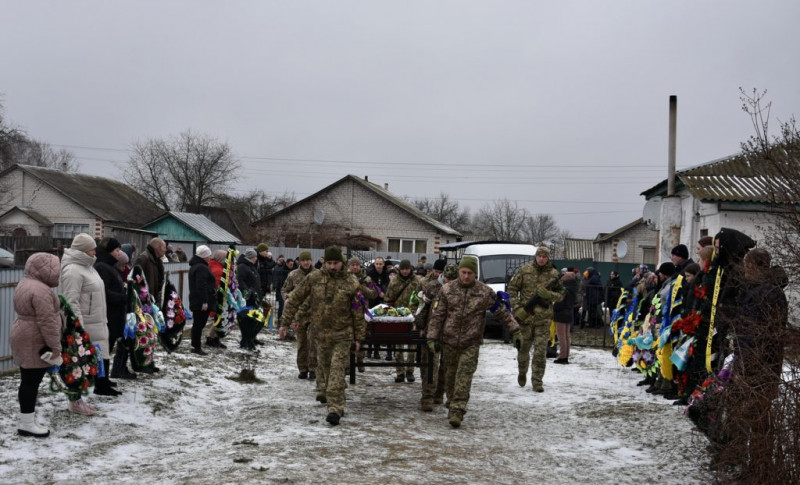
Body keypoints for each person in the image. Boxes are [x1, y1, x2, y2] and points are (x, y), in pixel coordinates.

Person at [427, 256, 522, 428]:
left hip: (471, 342)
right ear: (459, 272)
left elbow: (501, 311)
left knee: (464, 376)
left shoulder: (484, 292)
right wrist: (432, 337)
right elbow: (437, 315)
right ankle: (452, 401)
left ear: (475, 274)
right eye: (463, 272)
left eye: (470, 273)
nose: (466, 276)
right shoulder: (447, 290)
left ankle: (457, 409)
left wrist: (515, 330)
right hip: (449, 341)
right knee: (450, 377)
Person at [282, 246, 365, 426]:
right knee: (326, 369)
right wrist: (285, 322)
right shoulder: (314, 278)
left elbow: (358, 312)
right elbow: (295, 298)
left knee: (337, 369)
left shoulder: (352, 283)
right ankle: (333, 397)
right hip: (320, 334)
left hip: (342, 334)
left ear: (342, 264)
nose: (333, 267)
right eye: (329, 263)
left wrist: (359, 338)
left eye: (336, 263)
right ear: (324, 262)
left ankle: (335, 408)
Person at [11, 253, 63, 437]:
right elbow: (47, 322)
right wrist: (55, 348)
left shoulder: (25, 283)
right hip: (35, 338)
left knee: (27, 380)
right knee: (31, 382)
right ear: (47, 269)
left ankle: (26, 420)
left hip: (23, 333)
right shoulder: (42, 290)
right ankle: (27, 424)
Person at [59, 233, 106, 414]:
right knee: (76, 364)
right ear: (84, 250)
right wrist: (78, 328)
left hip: (95, 321)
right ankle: (75, 401)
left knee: (85, 364)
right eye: (92, 248)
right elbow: (71, 301)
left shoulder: (88, 266)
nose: (95, 251)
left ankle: (78, 400)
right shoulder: (73, 270)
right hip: (81, 326)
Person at [507, 246, 563, 393]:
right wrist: (517, 307)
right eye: (539, 256)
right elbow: (512, 289)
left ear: (548, 258)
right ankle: (522, 371)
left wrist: (549, 295)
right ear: (536, 256)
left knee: (540, 352)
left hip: (543, 320)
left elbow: (561, 295)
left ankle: (537, 381)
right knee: (523, 350)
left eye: (545, 256)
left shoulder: (553, 274)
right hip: (525, 318)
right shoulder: (525, 270)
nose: (542, 259)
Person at [93, 237, 128, 390]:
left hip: (114, 314)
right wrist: (123, 298)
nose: (119, 254)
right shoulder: (102, 267)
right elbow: (104, 292)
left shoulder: (109, 266)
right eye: (117, 250)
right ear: (109, 251)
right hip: (108, 314)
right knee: (104, 348)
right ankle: (100, 381)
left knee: (108, 347)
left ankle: (104, 379)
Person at [415, 257, 447, 411]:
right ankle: (427, 396)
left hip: (449, 332)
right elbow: (421, 307)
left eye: (442, 272)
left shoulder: (455, 287)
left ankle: (439, 393)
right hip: (430, 330)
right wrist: (420, 325)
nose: (439, 274)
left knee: (445, 366)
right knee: (429, 365)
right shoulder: (429, 286)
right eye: (437, 271)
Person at [281, 251, 318, 379]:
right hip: (299, 313)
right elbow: (285, 289)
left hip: (314, 312)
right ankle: (303, 368)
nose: (306, 262)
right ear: (300, 261)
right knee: (302, 342)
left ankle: (313, 368)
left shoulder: (317, 274)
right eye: (304, 260)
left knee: (313, 341)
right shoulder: (293, 275)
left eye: (308, 260)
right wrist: (287, 298)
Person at [385, 259, 421, 383]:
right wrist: (390, 314)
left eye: (407, 269)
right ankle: (400, 372)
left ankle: (410, 371)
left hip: (413, 316)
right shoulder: (394, 282)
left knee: (412, 345)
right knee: (398, 346)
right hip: (398, 317)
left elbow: (421, 298)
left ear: (410, 269)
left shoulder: (417, 282)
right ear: (399, 269)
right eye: (403, 269)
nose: (405, 271)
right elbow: (388, 299)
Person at [347, 257, 378, 372]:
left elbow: (374, 294)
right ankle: (348, 364)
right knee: (347, 337)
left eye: (357, 265)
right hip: (347, 312)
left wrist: (361, 288)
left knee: (361, 337)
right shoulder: (345, 278)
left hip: (361, 312)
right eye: (352, 265)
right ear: (348, 266)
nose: (355, 267)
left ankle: (360, 360)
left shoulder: (367, 279)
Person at [188, 245, 216, 355]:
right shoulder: (201, 268)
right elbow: (201, 285)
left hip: (197, 300)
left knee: (198, 324)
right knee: (199, 324)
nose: (210, 257)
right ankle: (196, 346)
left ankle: (195, 345)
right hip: (201, 301)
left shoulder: (197, 266)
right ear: (204, 256)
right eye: (209, 255)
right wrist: (204, 301)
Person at [553, 268, 578, 364]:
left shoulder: (565, 289)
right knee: (566, 336)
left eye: (564, 275)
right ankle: (565, 355)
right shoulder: (572, 288)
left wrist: (555, 308)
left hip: (561, 313)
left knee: (561, 336)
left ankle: (562, 357)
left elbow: (560, 302)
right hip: (568, 313)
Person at [134, 237, 166, 305]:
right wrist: (143, 294)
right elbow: (135, 277)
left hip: (154, 299)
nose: (165, 250)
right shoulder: (144, 258)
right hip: (145, 301)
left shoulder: (158, 260)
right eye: (164, 247)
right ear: (157, 247)